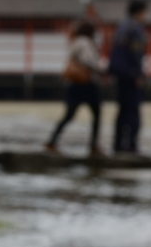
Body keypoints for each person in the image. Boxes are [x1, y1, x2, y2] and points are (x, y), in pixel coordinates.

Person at [44, 21, 105, 157]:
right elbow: (88, 60)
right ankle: (94, 145)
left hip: (74, 83)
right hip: (86, 83)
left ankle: (52, 141)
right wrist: (100, 71)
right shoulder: (85, 42)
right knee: (97, 114)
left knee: (69, 115)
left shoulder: (76, 41)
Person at [108, 0, 148, 153]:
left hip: (119, 73)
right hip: (130, 74)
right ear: (140, 12)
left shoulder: (122, 26)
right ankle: (131, 144)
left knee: (122, 109)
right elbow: (136, 53)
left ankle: (118, 143)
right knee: (133, 110)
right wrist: (138, 73)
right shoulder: (136, 28)